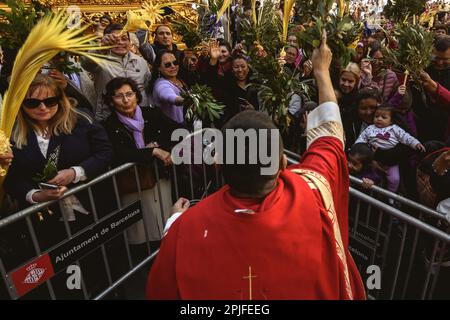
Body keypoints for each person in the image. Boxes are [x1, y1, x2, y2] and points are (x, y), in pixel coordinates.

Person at [146, 31, 366, 300]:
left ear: (220, 165)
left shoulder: (186, 229)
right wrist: (322, 71)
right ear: (283, 162)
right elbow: (330, 135)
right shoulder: (312, 189)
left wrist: (173, 222)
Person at [102, 77, 181, 253]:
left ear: (137, 96)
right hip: (132, 185)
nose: (126, 100)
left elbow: (177, 131)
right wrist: (150, 152)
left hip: (159, 179)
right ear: (111, 101)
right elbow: (117, 153)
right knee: (140, 231)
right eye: (119, 96)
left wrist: (159, 145)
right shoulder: (108, 125)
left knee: (163, 222)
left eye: (129, 94)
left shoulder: (152, 114)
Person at [82, 23, 152, 121]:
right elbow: (85, 63)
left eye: (124, 39)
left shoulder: (141, 61)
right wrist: (101, 48)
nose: (120, 42)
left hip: (140, 115)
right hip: (109, 117)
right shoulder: (100, 59)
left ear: (129, 41)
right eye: (115, 40)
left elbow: (147, 87)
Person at [355, 105, 426, 193]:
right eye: (376, 116)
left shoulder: (395, 129)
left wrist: (416, 143)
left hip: (392, 162)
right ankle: (374, 194)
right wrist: (356, 148)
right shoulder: (370, 128)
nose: (379, 119)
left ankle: (390, 196)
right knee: (372, 177)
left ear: (391, 120)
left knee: (395, 179)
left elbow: (406, 137)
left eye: (384, 117)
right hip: (374, 159)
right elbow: (361, 139)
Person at [412, 35, 450, 142]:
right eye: (436, 58)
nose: (439, 63)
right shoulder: (422, 68)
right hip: (421, 124)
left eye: (445, 59)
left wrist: (434, 87)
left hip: (445, 127)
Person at [151, 50, 187, 125]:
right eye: (167, 65)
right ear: (159, 68)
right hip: (173, 129)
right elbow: (168, 95)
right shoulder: (161, 84)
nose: (173, 66)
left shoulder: (180, 78)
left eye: (175, 63)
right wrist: (186, 100)